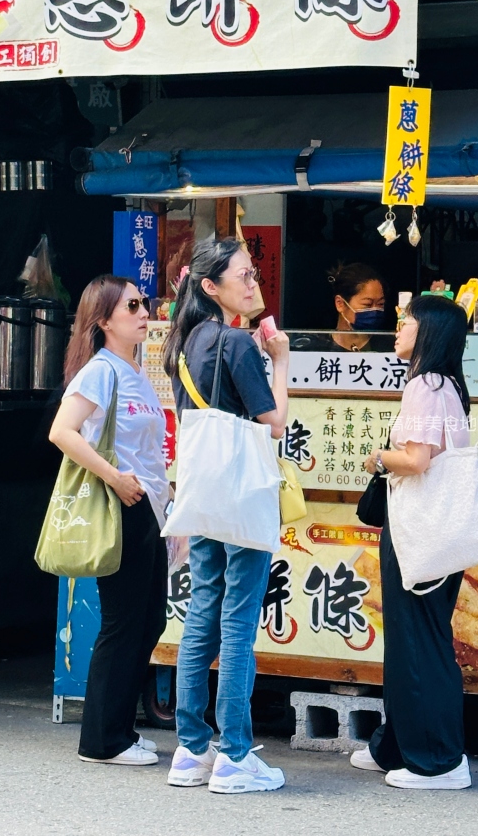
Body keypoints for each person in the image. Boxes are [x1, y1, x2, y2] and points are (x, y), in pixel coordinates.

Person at [163, 238, 290, 795]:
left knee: (200, 616)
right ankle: (235, 755)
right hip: (241, 490)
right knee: (238, 621)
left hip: (205, 489)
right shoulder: (237, 342)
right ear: (210, 287)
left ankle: (191, 751)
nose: (252, 280)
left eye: (253, 271)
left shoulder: (185, 341)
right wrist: (281, 359)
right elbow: (274, 422)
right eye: (243, 273)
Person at [49, 275, 170, 767]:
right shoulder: (100, 371)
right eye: (134, 306)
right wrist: (116, 477)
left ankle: (118, 728)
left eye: (145, 304)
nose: (145, 313)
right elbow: (63, 431)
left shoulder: (135, 371)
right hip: (121, 506)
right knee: (124, 623)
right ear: (103, 321)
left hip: (149, 510)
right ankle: (101, 740)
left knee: (149, 620)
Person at [352, 294, 473, 790]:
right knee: (415, 642)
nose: (398, 329)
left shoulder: (425, 384)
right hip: (436, 532)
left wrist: (380, 458)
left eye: (406, 322)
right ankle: (397, 746)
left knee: (420, 645)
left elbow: (418, 459)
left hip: (420, 531)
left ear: (428, 333)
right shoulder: (445, 385)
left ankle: (439, 762)